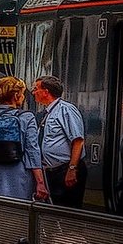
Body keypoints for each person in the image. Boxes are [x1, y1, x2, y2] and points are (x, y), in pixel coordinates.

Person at [0, 75, 47, 202]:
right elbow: (33, 152)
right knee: (18, 216)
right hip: (20, 179)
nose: (23, 97)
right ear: (16, 96)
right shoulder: (26, 118)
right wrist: (40, 183)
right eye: (23, 94)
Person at [31, 76, 86, 207]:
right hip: (52, 172)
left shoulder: (66, 109)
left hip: (65, 169)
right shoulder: (47, 113)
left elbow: (78, 141)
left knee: (67, 211)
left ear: (46, 91)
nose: (33, 92)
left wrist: (72, 169)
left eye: (35, 89)